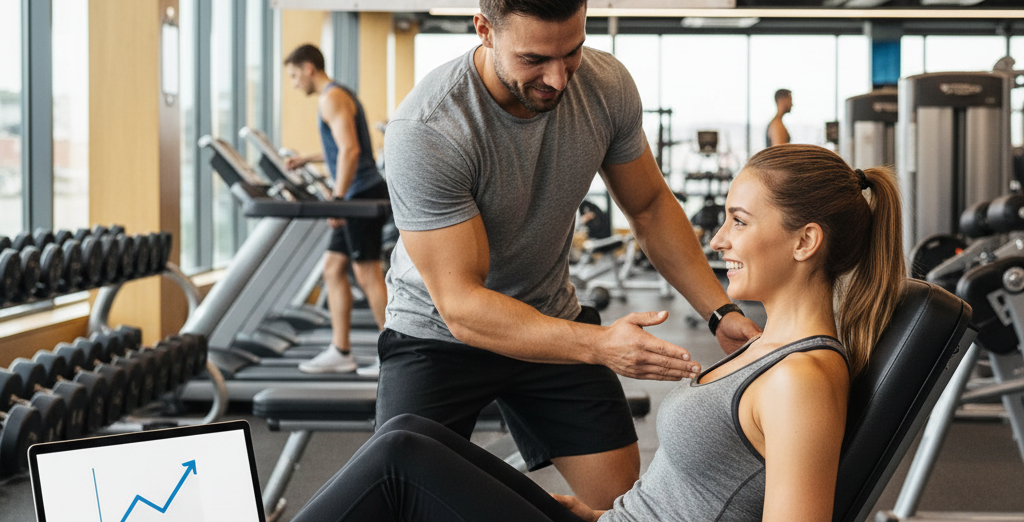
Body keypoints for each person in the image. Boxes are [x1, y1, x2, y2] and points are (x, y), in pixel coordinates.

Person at [288, 144, 906, 522]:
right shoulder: (765, 347)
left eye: (738, 222)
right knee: (410, 436)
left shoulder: (801, 378)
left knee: (401, 460)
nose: (716, 241)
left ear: (805, 241)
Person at [379, 0, 760, 509]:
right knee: (399, 501)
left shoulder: (605, 85)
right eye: (534, 58)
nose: (557, 78)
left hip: (549, 315)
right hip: (437, 335)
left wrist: (720, 311)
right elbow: (462, 304)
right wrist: (602, 344)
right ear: (484, 29)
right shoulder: (430, 128)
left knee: (623, 506)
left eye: (572, 51)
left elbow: (651, 205)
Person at [282, 44, 391, 375]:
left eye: (293, 75)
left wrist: (339, 200)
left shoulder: (331, 98)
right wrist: (307, 158)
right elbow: (340, 146)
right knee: (332, 268)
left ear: (309, 68)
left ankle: (395, 354)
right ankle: (341, 350)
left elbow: (350, 150)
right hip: (357, 192)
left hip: (360, 194)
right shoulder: (336, 96)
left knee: (367, 272)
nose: (293, 83)